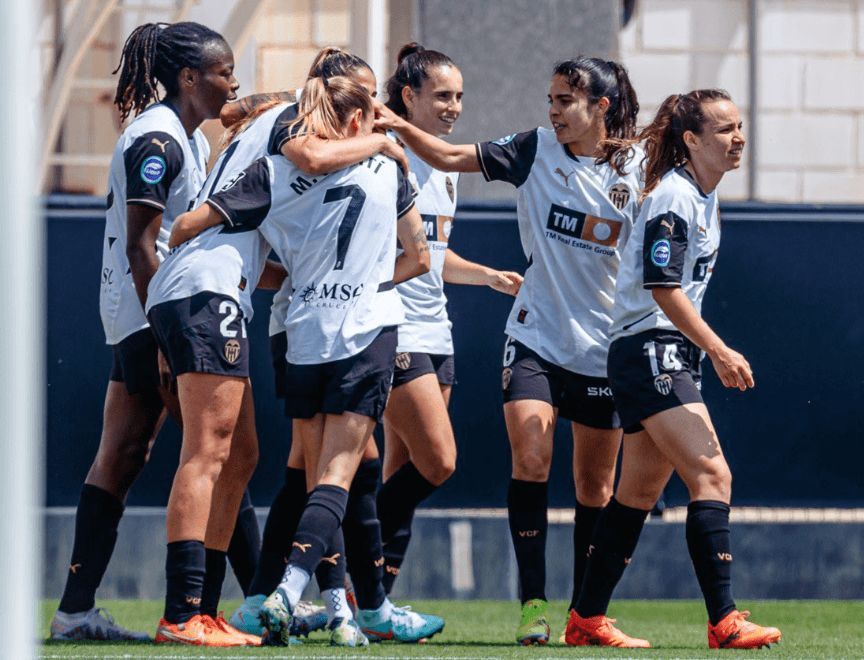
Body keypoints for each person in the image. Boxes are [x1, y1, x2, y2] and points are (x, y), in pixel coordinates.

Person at [375, 56, 642, 645]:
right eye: (549, 99)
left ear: (600, 106)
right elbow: (449, 155)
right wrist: (388, 121)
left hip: (603, 347)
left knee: (595, 489)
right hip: (536, 336)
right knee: (530, 459)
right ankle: (533, 606)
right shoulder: (534, 148)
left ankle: (586, 615)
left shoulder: (640, 170)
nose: (553, 110)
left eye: (565, 100)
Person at [169, 74, 432, 647]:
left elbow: (188, 226)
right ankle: (288, 593)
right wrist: (363, 279)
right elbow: (420, 257)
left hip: (301, 331)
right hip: (365, 328)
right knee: (336, 478)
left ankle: (336, 605)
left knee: (313, 474)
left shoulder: (275, 170)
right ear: (361, 121)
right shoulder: (391, 167)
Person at [565, 89, 782, 650]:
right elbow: (663, 290)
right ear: (691, 140)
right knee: (713, 476)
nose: (738, 138)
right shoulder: (676, 198)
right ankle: (724, 620)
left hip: (661, 350)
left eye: (740, 127)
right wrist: (718, 348)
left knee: (636, 492)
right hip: (651, 348)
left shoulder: (704, 197)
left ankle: (586, 618)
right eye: (724, 130)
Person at [49, 21, 241, 642]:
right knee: (220, 450)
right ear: (189, 78)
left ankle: (75, 612)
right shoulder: (156, 137)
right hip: (150, 312)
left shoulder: (187, 132)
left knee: (126, 453)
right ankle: (250, 598)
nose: (233, 82)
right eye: (224, 72)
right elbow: (140, 246)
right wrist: (164, 337)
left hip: (142, 310)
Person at [374, 43, 522, 602]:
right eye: (442, 95)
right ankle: (337, 562)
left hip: (437, 330)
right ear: (408, 97)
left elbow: (434, 251)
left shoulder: (446, 168)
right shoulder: (383, 155)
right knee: (439, 461)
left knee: (402, 470)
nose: (454, 106)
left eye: (459, 96)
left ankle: (375, 601)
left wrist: (487, 275)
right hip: (395, 327)